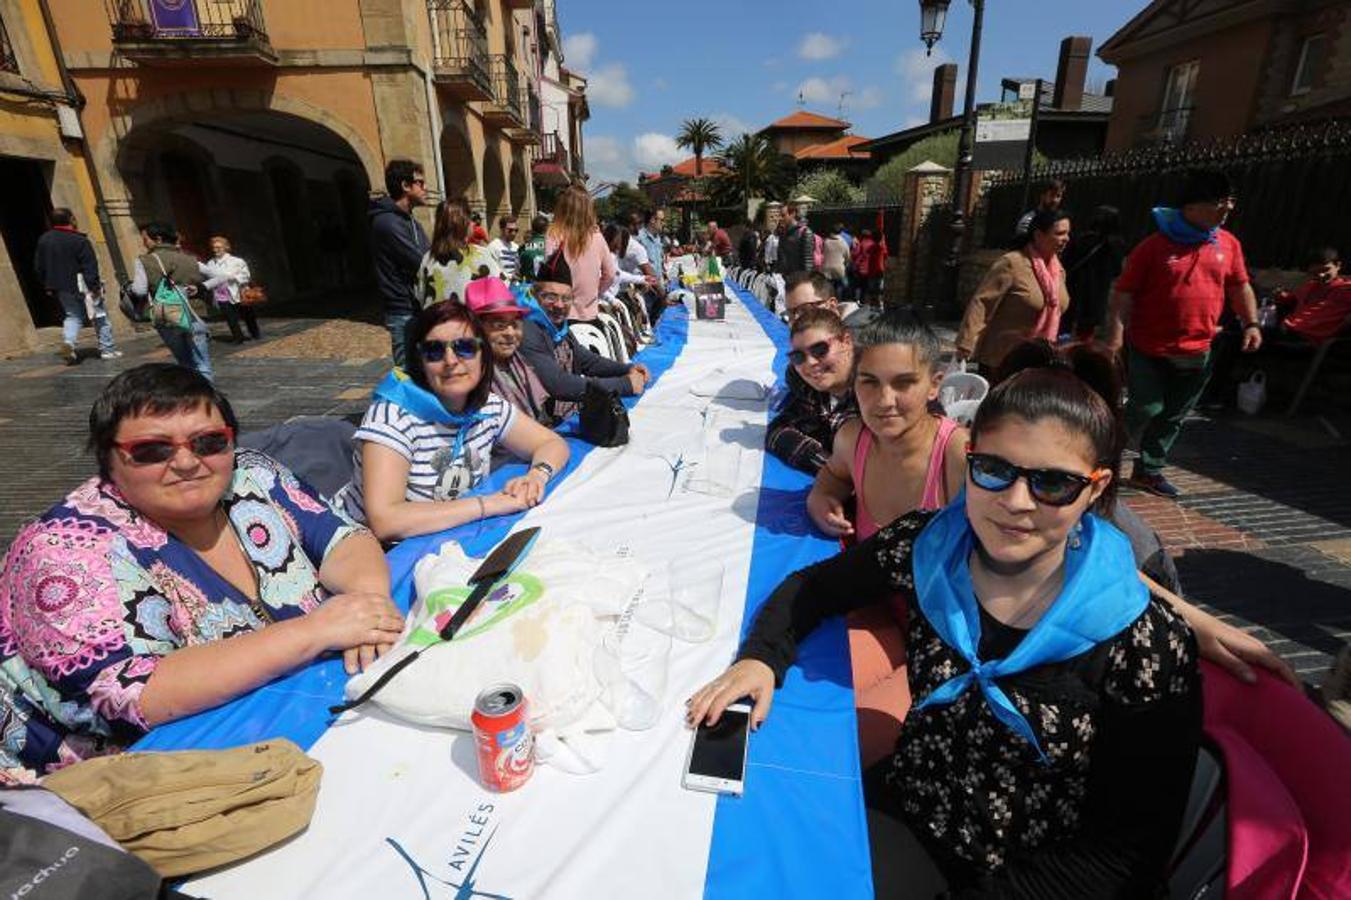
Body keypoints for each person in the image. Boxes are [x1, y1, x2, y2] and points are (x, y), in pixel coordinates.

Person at [691, 342, 1203, 898]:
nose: (1017, 501)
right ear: (971, 457)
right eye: (994, 470)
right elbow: (816, 586)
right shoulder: (932, 547)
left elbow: (1122, 859)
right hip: (916, 805)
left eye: (1053, 483)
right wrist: (762, 658)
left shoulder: (1144, 644)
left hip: (1035, 874)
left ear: (1095, 488)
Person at [0, 364, 402, 777]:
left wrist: (366, 605)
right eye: (153, 450)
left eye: (209, 442)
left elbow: (342, 536)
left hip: (281, 715)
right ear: (109, 458)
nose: (187, 462)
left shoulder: (251, 475)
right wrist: (316, 630)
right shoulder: (64, 550)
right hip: (128, 780)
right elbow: (130, 696)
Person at [335, 301, 569, 542]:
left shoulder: (487, 407)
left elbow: (551, 443)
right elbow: (386, 520)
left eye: (464, 348)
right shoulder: (393, 415)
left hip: (444, 536)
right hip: (369, 547)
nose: (450, 360)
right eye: (434, 351)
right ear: (420, 361)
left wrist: (537, 476)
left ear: (483, 355)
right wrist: (491, 503)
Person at [1105, 169, 1260, 499]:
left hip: (1198, 349)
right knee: (1145, 407)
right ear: (1192, 207)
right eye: (1219, 203)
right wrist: (1115, 337)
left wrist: (1251, 323)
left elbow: (1239, 286)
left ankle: (1149, 470)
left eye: (1230, 203)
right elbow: (1123, 294)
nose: (1227, 210)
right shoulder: (1153, 247)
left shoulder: (1228, 244)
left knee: (1175, 413)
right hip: (1148, 346)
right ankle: (1103, 457)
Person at [519, 249, 649, 422]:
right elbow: (560, 385)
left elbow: (586, 360)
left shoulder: (557, 325)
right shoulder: (528, 330)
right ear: (535, 296)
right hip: (543, 426)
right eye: (550, 297)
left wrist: (626, 369)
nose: (559, 305)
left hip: (568, 416)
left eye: (566, 298)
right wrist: (625, 384)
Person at [956, 208, 1072, 373]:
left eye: (1067, 233)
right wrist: (965, 344)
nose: (1066, 239)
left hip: (1038, 361)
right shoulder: (1012, 263)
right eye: (1060, 233)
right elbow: (982, 302)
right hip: (1001, 361)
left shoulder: (1058, 271)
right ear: (1039, 235)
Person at [765, 307, 857, 475]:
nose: (810, 363)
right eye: (798, 357)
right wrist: (830, 468)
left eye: (820, 349)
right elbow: (776, 432)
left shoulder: (874, 392)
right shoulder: (813, 390)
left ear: (847, 342)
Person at [34, 208, 120, 365]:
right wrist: (94, 286)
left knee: (72, 315)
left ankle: (69, 343)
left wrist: (47, 284)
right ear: (71, 219)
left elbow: (39, 266)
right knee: (99, 316)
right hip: (84, 285)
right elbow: (89, 266)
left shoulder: (44, 240)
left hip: (61, 286)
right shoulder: (79, 240)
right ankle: (108, 349)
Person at [130, 221, 212, 382]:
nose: (144, 242)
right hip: (194, 313)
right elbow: (222, 275)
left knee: (185, 363)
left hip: (167, 317)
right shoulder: (190, 258)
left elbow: (139, 290)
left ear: (158, 239)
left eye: (145, 239)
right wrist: (201, 287)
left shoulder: (145, 261)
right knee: (203, 364)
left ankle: (193, 399)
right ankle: (210, 400)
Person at [465, 278, 553, 425]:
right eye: (499, 325)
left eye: (515, 324)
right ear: (476, 329)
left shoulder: (520, 365)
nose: (510, 333)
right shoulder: (472, 379)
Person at [370, 159, 430, 367]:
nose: (426, 188)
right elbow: (421, 261)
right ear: (405, 186)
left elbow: (428, 255)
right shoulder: (387, 222)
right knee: (407, 372)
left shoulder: (410, 221)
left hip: (416, 305)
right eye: (420, 183)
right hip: (402, 309)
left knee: (421, 368)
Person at [416, 198, 501, 309]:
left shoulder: (428, 258)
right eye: (470, 219)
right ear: (463, 223)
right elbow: (500, 291)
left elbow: (420, 295)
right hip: (469, 323)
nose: (473, 224)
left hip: (436, 322)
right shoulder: (480, 254)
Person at [546, 185, 615, 321]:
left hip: (561, 315)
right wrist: (595, 292)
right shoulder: (597, 237)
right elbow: (610, 274)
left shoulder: (554, 234)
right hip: (590, 315)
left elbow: (549, 273)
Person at [1060, 206, 1124, 341]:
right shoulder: (1115, 245)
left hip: (1072, 290)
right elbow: (1117, 271)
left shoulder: (1078, 239)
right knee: (1085, 335)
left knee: (1063, 328)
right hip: (1096, 297)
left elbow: (1065, 263)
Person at [1275, 246, 1351, 344]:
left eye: (1325, 270)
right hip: (1288, 330)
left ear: (1338, 266)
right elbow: (1290, 299)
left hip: (1312, 339)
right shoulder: (1309, 286)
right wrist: (1281, 295)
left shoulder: (1345, 288)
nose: (1321, 275)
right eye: (1315, 272)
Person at [200, 235, 260, 343]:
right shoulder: (210, 263)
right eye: (214, 247)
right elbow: (210, 277)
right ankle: (238, 337)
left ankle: (255, 332)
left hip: (238, 291)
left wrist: (233, 277)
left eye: (219, 247)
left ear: (226, 247)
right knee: (230, 317)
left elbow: (246, 275)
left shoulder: (237, 261)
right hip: (221, 294)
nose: (216, 250)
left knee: (247, 314)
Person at [784, 270, 863, 328]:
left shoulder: (863, 340)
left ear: (831, 305)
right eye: (790, 313)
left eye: (804, 310)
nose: (795, 320)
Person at [773, 202, 815, 276]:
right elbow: (780, 259)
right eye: (779, 216)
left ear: (792, 214)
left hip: (798, 280)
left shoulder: (805, 232)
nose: (780, 219)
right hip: (784, 280)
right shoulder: (782, 234)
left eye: (783, 215)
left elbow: (808, 263)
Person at [852, 228, 885, 307]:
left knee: (860, 286)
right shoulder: (879, 246)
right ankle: (873, 304)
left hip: (864, 269)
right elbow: (885, 255)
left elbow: (856, 254)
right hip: (874, 270)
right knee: (874, 289)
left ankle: (860, 302)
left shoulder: (863, 243)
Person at [487, 215, 521, 281]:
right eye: (510, 230)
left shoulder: (516, 247)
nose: (513, 233)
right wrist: (510, 277)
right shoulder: (493, 247)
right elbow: (491, 270)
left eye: (516, 230)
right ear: (502, 229)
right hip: (500, 286)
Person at [820, 224, 850, 299]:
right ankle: (838, 301)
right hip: (839, 269)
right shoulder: (844, 243)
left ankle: (828, 301)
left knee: (828, 287)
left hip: (826, 269)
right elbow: (847, 257)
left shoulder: (826, 242)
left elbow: (821, 254)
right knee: (839, 287)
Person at [517, 214, 549, 282]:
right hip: (547, 286)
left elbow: (518, 269)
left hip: (528, 286)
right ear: (546, 229)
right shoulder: (552, 246)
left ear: (532, 229)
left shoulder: (523, 248)